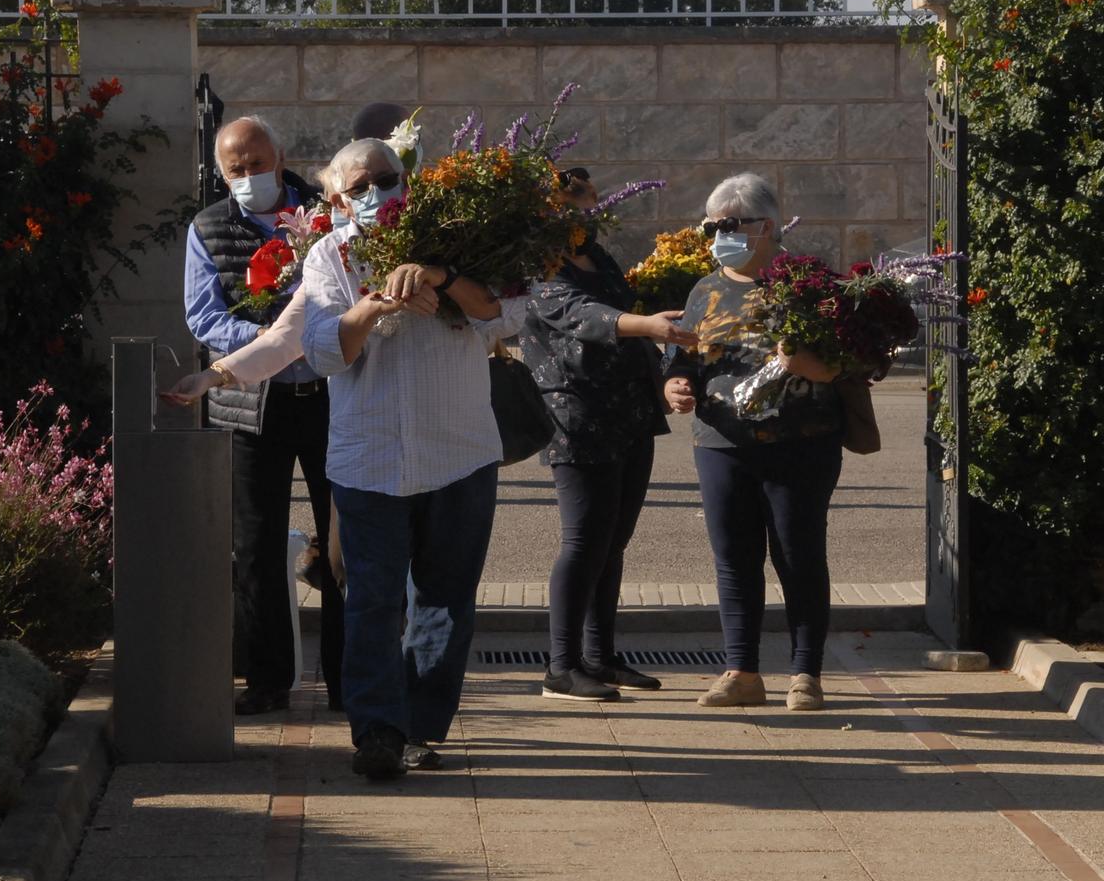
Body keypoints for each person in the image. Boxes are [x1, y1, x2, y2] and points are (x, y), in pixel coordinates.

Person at [300, 135, 523, 780]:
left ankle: (422, 728)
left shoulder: (456, 243)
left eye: (386, 179)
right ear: (338, 201)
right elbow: (322, 351)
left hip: (458, 450)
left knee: (446, 595)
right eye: (359, 187)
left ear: (408, 179)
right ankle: (376, 731)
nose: (376, 195)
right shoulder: (328, 257)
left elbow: (507, 313)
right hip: (368, 457)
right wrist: (376, 303)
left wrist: (439, 276)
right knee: (370, 597)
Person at [166, 161, 348, 709]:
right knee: (256, 545)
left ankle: (348, 680)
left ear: (279, 156)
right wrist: (263, 336)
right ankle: (268, 680)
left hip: (329, 400)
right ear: (222, 173)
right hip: (248, 406)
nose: (251, 173)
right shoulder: (208, 226)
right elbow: (204, 316)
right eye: (237, 167)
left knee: (346, 545)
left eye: (259, 162)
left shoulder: (325, 211)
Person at [662, 173, 843, 712]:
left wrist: (803, 360)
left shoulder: (809, 285)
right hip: (720, 443)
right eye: (711, 225)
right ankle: (741, 671)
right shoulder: (705, 289)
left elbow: (844, 364)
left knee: (798, 554)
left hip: (800, 443)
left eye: (728, 224)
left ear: (765, 227)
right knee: (734, 559)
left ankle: (805, 674)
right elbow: (682, 358)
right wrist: (674, 385)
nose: (718, 234)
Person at [518, 168, 696, 701]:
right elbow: (582, 315)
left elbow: (623, 306)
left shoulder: (598, 256)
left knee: (612, 541)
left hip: (628, 412)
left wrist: (664, 379)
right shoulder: (537, 266)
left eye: (589, 205)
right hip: (577, 415)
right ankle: (561, 666)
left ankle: (599, 657)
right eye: (571, 207)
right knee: (583, 542)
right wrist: (647, 326)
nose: (583, 216)